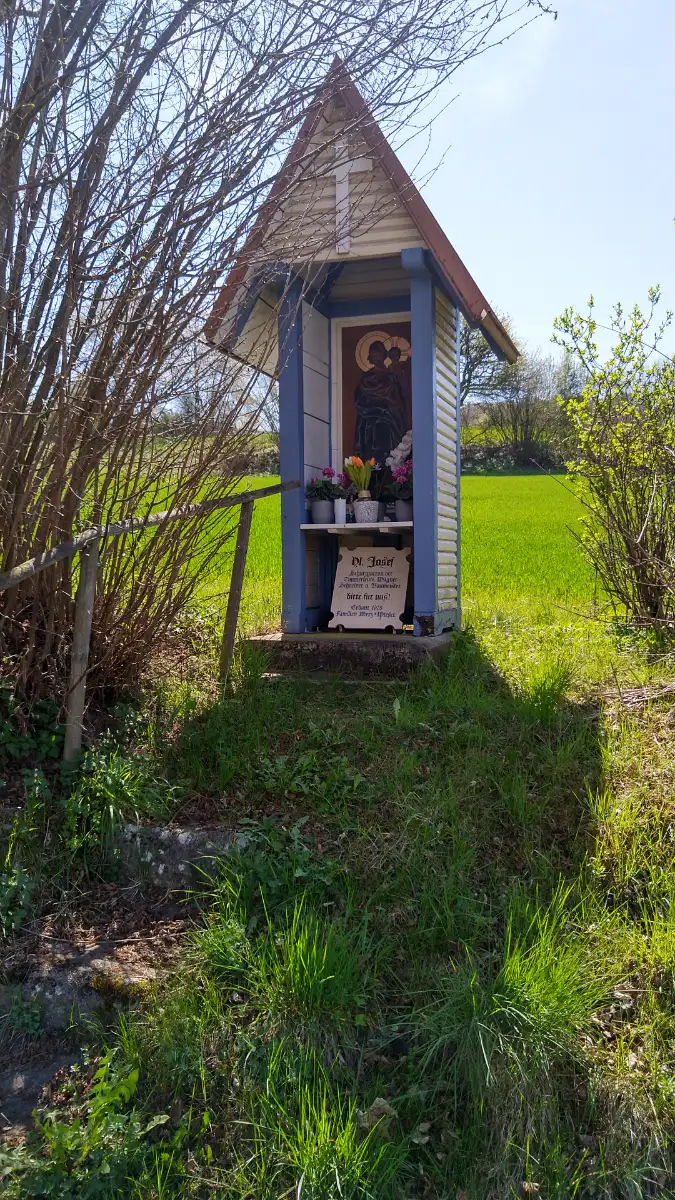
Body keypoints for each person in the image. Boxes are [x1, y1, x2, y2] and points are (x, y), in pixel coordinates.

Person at [354, 341, 407, 467]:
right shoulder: (366, 377)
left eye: (377, 354)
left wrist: (386, 408)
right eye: (372, 354)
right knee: (369, 449)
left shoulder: (390, 377)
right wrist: (374, 408)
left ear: (383, 355)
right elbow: (359, 399)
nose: (375, 357)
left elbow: (397, 401)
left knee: (384, 445)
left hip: (387, 420)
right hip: (368, 420)